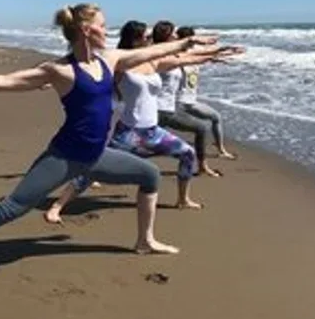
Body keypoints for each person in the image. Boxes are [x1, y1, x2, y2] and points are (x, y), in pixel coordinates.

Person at [0, 3, 218, 293]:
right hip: (65, 157)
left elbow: (151, 51)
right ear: (86, 30)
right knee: (11, 208)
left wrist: (186, 43)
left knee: (149, 175)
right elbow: (7, 80)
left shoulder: (109, 59)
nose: (106, 29)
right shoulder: (60, 70)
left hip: (96, 156)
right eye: (102, 25)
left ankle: (144, 241)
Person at [44, 20, 234, 224]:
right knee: (92, 170)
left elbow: (184, 59)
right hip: (129, 134)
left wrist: (212, 54)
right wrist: (53, 81)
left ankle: (183, 200)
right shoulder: (119, 64)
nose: (150, 39)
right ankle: (56, 207)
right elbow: (89, 74)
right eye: (146, 36)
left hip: (153, 132)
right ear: (135, 40)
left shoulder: (152, 62)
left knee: (188, 154)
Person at [152, 21, 240, 177]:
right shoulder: (160, 55)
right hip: (164, 108)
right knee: (201, 128)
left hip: (167, 108)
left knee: (143, 142)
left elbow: (194, 55)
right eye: (173, 33)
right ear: (167, 36)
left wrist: (221, 52)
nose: (176, 35)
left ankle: (203, 165)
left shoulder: (173, 54)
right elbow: (189, 57)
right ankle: (202, 166)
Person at [175, 25, 244, 159]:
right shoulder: (178, 56)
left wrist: (230, 52)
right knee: (210, 121)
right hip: (182, 102)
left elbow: (210, 54)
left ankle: (220, 150)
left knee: (214, 118)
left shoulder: (194, 52)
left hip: (189, 101)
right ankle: (219, 151)